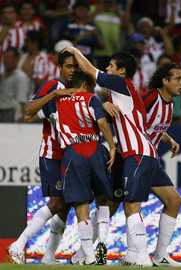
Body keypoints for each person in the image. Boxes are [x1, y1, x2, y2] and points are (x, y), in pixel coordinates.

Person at [65, 46, 159, 267]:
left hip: (137, 153)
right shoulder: (122, 91)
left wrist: (72, 49)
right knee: (129, 204)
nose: (107, 69)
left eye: (111, 66)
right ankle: (135, 254)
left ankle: (142, 256)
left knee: (131, 205)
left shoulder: (120, 83)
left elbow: (88, 69)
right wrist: (105, 104)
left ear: (122, 71)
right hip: (138, 154)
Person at [8, 50, 77, 265]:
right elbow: (28, 112)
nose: (72, 70)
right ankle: (19, 243)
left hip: (71, 156)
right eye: (68, 66)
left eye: (75, 66)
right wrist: (52, 97)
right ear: (60, 68)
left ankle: (48, 255)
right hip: (52, 154)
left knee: (65, 204)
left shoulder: (81, 91)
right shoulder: (53, 86)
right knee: (57, 202)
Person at [45, 70, 116, 264]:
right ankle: (102, 241)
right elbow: (101, 122)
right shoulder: (91, 98)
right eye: (92, 84)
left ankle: (90, 256)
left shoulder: (58, 102)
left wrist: (51, 95)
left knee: (80, 204)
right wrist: (112, 146)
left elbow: (36, 113)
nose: (94, 87)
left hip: (73, 153)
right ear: (85, 84)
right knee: (103, 199)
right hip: (95, 149)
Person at [142, 63, 181, 266]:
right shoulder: (151, 98)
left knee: (174, 201)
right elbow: (131, 119)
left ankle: (160, 256)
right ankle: (86, 251)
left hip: (150, 160)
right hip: (135, 158)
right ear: (164, 81)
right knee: (112, 205)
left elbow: (153, 125)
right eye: (177, 79)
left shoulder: (169, 103)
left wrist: (168, 140)